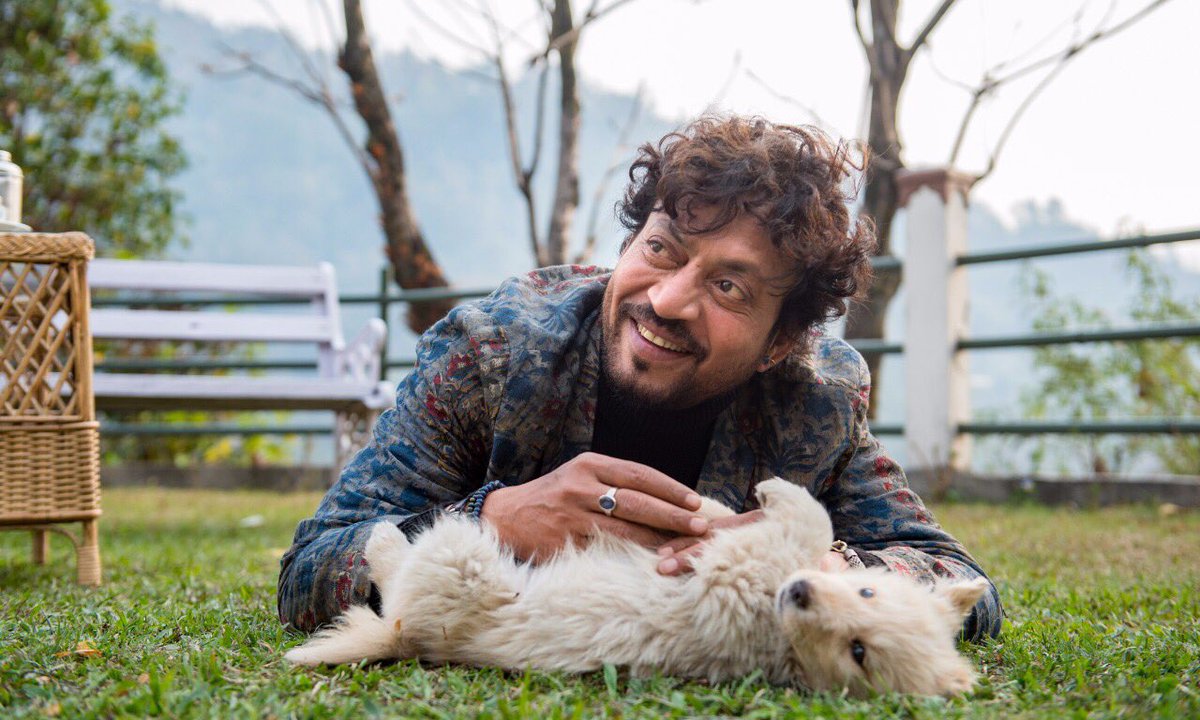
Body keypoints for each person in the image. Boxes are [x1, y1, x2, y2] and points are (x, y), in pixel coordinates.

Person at [278, 115, 1003, 641]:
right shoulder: (492, 354)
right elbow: (311, 567)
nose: (667, 300)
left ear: (780, 342)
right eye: (662, 249)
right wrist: (495, 522)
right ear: (628, 243)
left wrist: (829, 569)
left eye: (728, 287)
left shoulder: (817, 400)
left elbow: (961, 584)